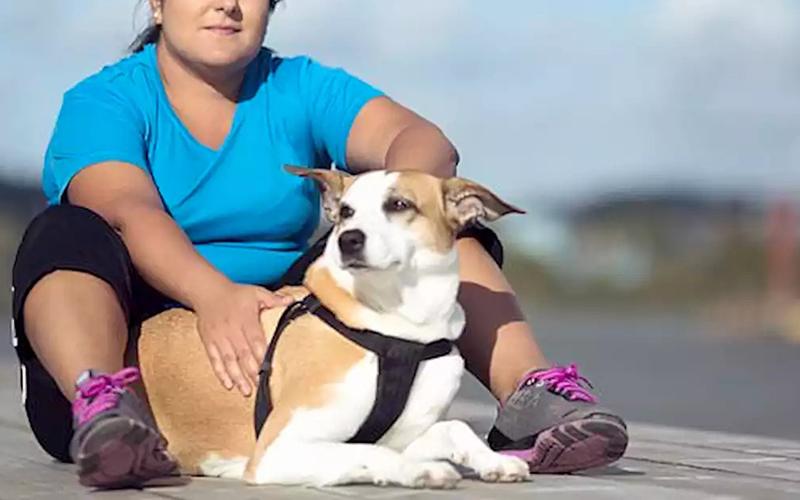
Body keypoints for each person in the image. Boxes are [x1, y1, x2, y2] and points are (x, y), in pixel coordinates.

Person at [10, 0, 628, 488]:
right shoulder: (104, 100)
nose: (226, 4)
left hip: (280, 333)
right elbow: (128, 209)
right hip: (142, 337)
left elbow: (423, 140)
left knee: (434, 229)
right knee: (65, 231)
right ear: (156, 2)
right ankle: (105, 405)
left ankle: (534, 397)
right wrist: (215, 296)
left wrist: (402, 201)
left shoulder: (299, 85)